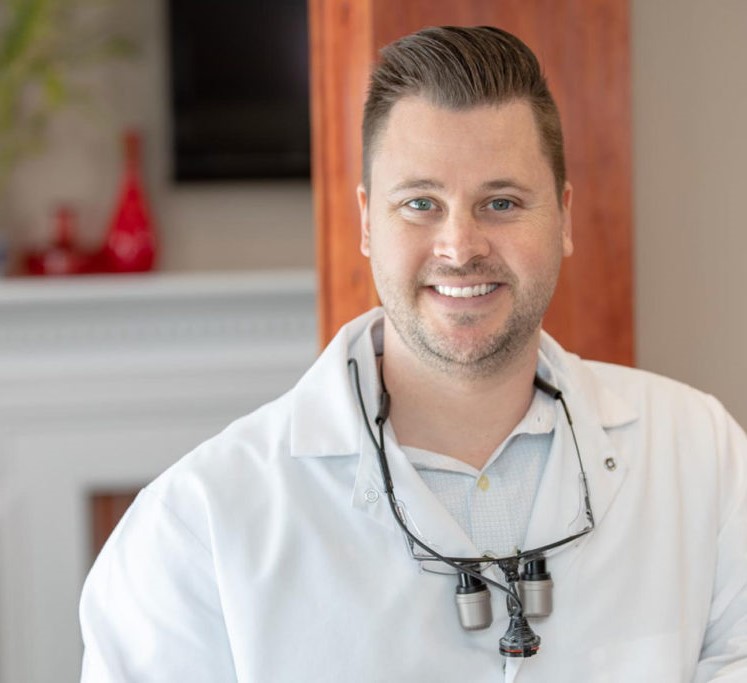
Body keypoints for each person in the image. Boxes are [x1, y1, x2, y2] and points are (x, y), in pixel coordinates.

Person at [79, 26, 747, 682]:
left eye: (502, 202)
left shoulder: (701, 455)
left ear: (564, 218)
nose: (460, 246)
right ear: (367, 222)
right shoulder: (197, 522)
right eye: (421, 203)